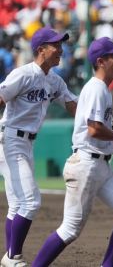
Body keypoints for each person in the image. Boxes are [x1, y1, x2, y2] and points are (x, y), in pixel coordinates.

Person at [32, 37, 113, 267]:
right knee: (70, 230)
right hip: (85, 165)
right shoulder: (96, 89)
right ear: (102, 61)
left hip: (100, 165)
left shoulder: (101, 89)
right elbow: (94, 130)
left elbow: (97, 134)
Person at [0, 27, 77, 267]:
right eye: (56, 45)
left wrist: (99, 119)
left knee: (17, 204)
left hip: (27, 142)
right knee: (31, 202)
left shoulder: (54, 80)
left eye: (61, 45)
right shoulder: (22, 74)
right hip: (10, 139)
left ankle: (8, 257)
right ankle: (14, 257)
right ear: (41, 50)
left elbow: (72, 104)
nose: (60, 50)